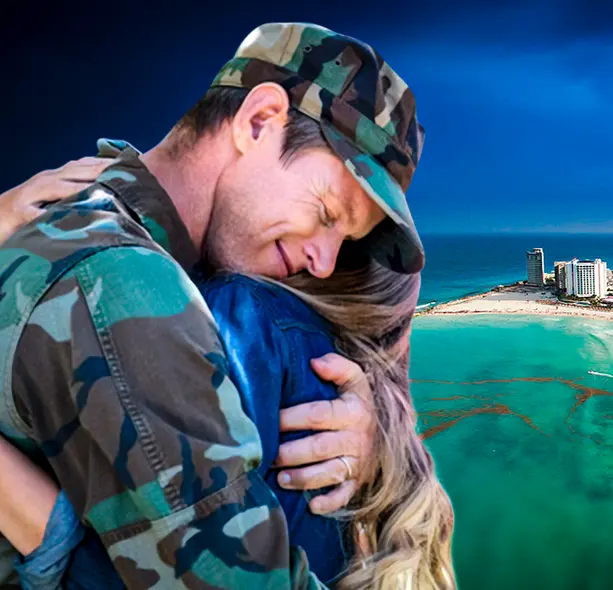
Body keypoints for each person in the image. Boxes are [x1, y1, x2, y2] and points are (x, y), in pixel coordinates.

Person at [0, 22, 448, 589]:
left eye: (345, 242)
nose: (324, 262)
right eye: (329, 214)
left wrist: (377, 440)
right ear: (258, 121)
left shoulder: (115, 236)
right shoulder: (121, 280)